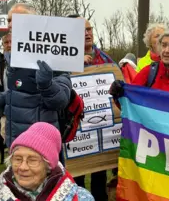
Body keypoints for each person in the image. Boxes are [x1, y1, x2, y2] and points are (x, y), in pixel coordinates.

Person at [0, 3, 72, 152]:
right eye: (8, 20)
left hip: (40, 146)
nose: (10, 25)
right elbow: (17, 94)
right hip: (16, 143)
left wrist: (47, 86)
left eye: (17, 19)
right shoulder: (13, 60)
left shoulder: (55, 56)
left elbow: (61, 101)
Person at [0, 122, 94, 201]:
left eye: (32, 160)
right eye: (18, 159)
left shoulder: (80, 198)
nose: (23, 167)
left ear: (48, 166)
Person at [69, 15, 112, 200]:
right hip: (75, 132)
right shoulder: (64, 59)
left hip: (98, 132)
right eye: (82, 30)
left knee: (99, 179)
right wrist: (76, 62)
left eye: (89, 29)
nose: (87, 34)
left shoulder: (105, 58)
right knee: (75, 181)